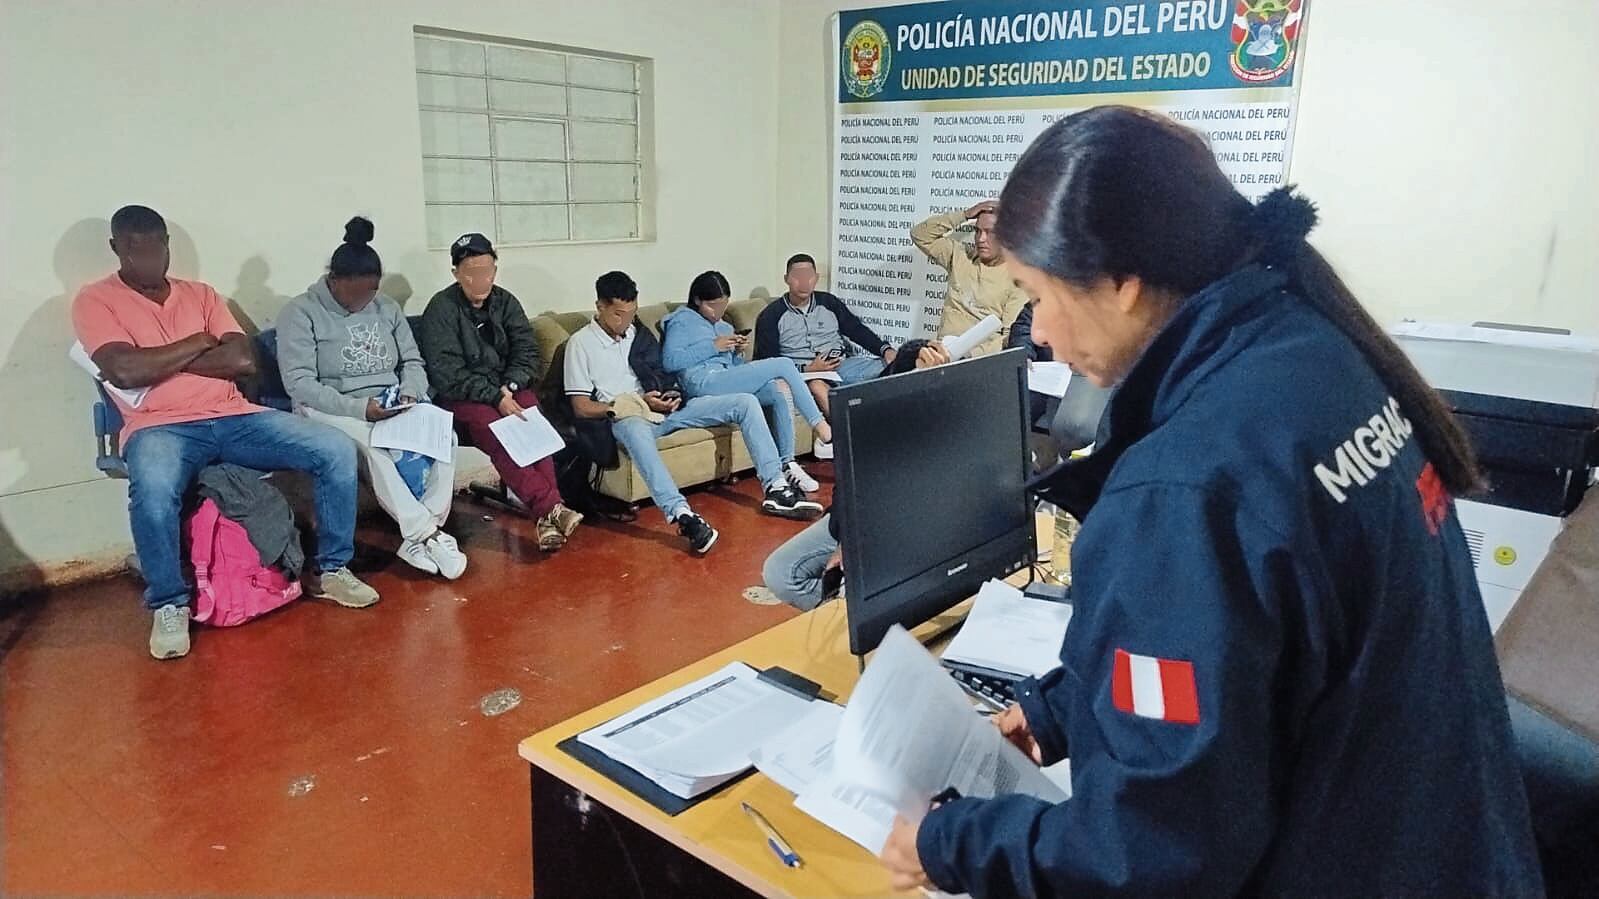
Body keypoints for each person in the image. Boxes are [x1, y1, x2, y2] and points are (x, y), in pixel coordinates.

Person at [879, 106, 1542, 896]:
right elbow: (1250, 650)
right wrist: (1058, 708)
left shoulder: (1182, 491)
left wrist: (949, 843)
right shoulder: (1315, 353)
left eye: (1038, 293)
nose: (1043, 333)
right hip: (1442, 844)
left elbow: (1150, 856)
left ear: (1121, 284)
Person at [71, 206, 379, 660]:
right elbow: (123, 369)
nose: (149, 260)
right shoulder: (95, 300)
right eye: (136, 252)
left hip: (234, 416)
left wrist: (157, 360)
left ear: (168, 246)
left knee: (333, 448)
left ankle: (332, 569)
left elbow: (243, 361)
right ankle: (169, 603)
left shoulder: (201, 294)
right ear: (117, 249)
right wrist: (198, 343)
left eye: (157, 248)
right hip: (160, 426)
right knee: (153, 488)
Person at [276, 217, 467, 579]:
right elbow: (299, 384)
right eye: (356, 295)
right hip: (329, 406)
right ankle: (425, 533)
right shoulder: (300, 312)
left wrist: (411, 392)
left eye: (371, 293)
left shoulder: (386, 308)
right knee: (371, 444)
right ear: (334, 282)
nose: (364, 302)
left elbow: (412, 360)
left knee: (445, 435)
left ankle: (423, 532)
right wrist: (359, 408)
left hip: (388, 401)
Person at [565, 272, 810, 551]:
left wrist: (668, 395)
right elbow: (581, 407)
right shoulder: (580, 344)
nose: (625, 323)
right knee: (634, 427)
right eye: (618, 315)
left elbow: (662, 372)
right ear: (600, 307)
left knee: (745, 402)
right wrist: (624, 406)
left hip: (666, 409)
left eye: (631, 313)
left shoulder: (637, 333)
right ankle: (682, 514)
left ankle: (775, 486)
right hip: (625, 414)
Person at [415, 233, 581, 552]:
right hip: (463, 396)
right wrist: (494, 396)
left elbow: (526, 350)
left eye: (487, 270)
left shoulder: (505, 301)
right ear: (456, 274)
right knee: (499, 432)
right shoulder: (441, 309)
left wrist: (512, 385)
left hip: (508, 387)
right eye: (472, 272)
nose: (482, 279)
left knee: (533, 425)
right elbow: (446, 373)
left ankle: (547, 517)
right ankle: (551, 507)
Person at [761, 340, 951, 610]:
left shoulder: (938, 429)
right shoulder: (871, 412)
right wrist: (848, 539)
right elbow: (851, 482)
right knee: (779, 573)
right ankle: (855, 611)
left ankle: (871, 609)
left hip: (899, 529)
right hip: (855, 518)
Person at [659, 270, 826, 514]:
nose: (717, 313)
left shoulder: (725, 325)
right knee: (783, 364)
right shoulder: (681, 321)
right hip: (701, 383)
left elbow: (733, 370)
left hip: (723, 382)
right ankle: (822, 427)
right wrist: (712, 346)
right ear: (697, 300)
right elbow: (671, 361)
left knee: (776, 390)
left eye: (722, 306)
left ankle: (787, 464)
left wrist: (735, 353)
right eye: (712, 306)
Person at [753, 253, 896, 428]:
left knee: (895, 365)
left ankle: (893, 426)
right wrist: (808, 368)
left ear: (816, 278)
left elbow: (856, 329)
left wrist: (885, 349)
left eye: (809, 276)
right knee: (817, 386)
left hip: (842, 366)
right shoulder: (771, 316)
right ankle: (850, 435)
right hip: (802, 374)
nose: (804, 282)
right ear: (786, 279)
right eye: (798, 277)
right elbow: (768, 362)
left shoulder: (829, 302)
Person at [910, 200, 1029, 357]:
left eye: (990, 232)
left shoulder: (1018, 279)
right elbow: (920, 235)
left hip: (980, 362)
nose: (981, 239)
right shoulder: (960, 256)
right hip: (941, 356)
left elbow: (1010, 337)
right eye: (978, 231)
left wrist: (969, 356)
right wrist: (965, 215)